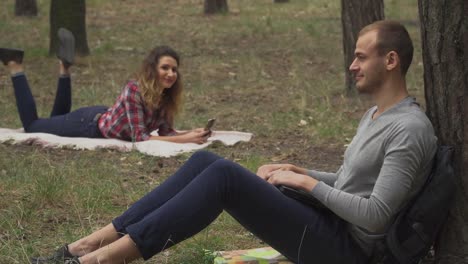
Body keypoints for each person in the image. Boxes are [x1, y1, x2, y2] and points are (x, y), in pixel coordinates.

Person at [30, 20, 437, 264]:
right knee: (207, 164)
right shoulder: (376, 115)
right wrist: (297, 171)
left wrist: (306, 184)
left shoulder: (410, 128)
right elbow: (353, 181)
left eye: (361, 57)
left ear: (390, 60)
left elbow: (376, 215)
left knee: (224, 175)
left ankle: (102, 260)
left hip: (348, 251)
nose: (352, 65)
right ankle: (87, 244)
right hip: (331, 224)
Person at [0, 29, 210, 144]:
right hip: (88, 126)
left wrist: (192, 133)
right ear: (152, 69)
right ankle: (15, 64)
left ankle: (64, 68)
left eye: (174, 70)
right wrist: (185, 140)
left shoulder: (166, 95)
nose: (171, 74)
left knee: (53, 121)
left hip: (100, 116)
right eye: (165, 68)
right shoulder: (135, 90)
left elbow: (166, 131)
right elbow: (141, 138)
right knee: (32, 126)